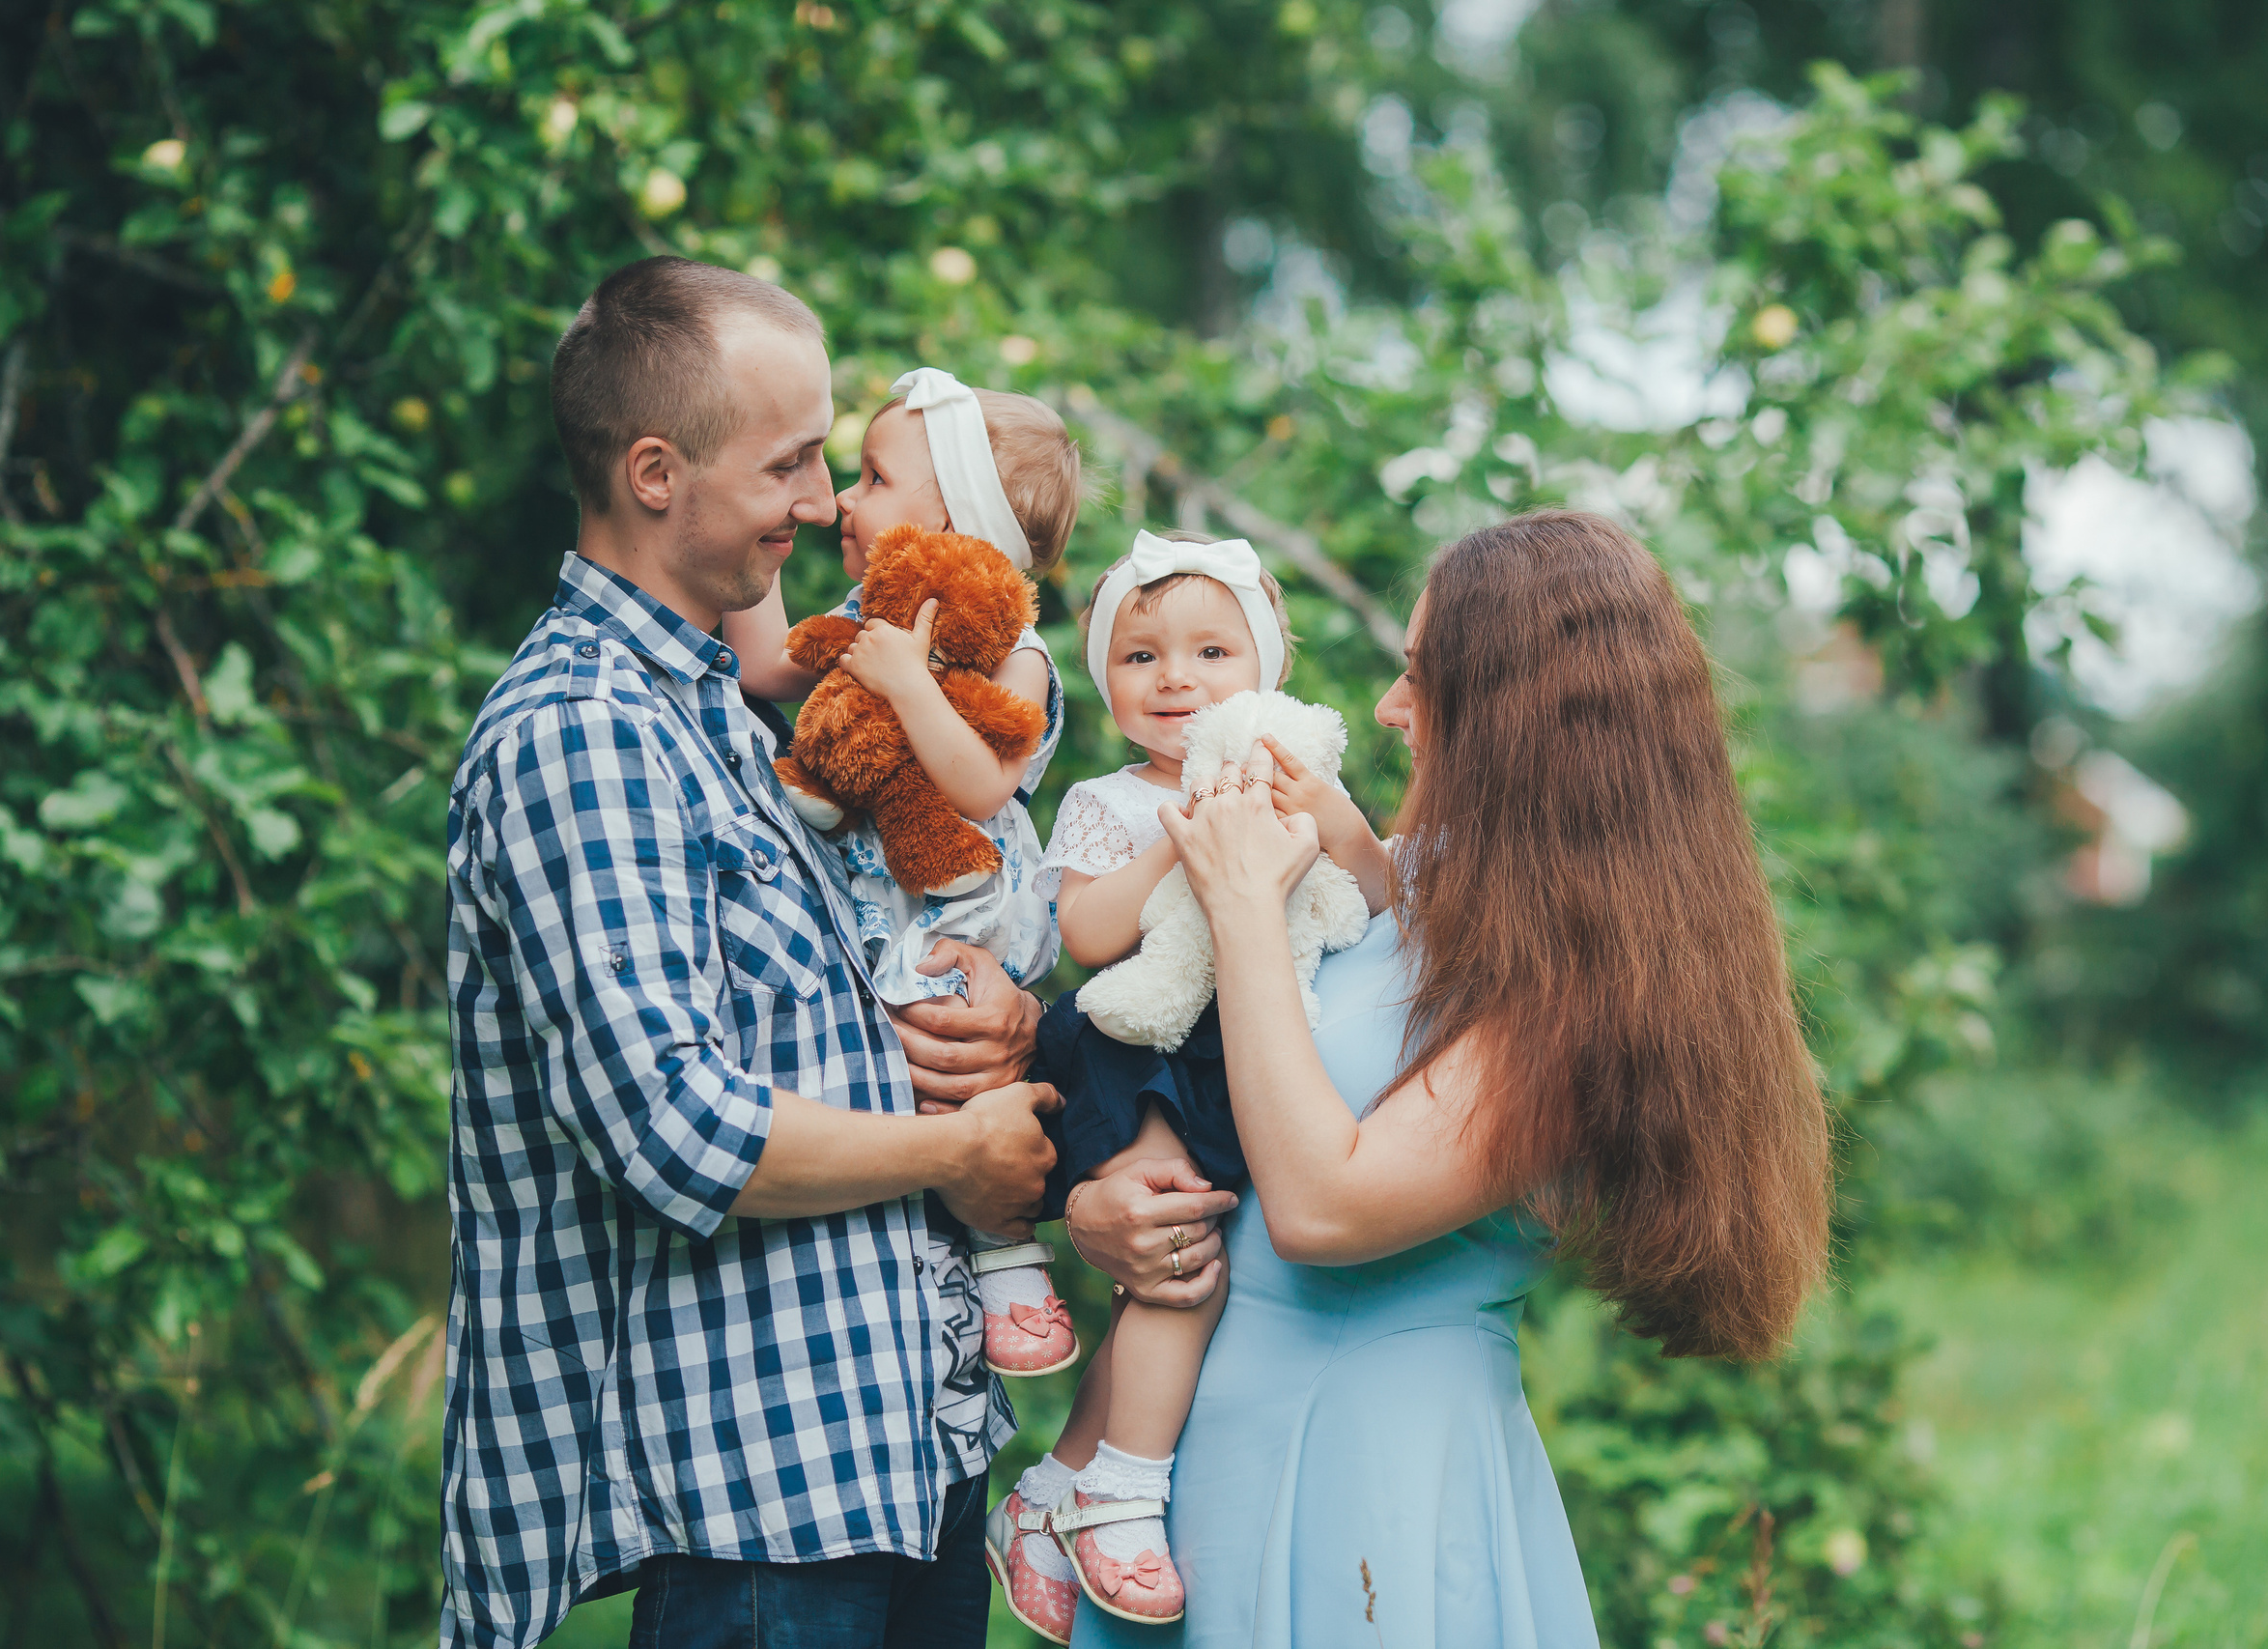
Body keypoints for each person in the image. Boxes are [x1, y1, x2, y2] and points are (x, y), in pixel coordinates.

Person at [1065, 508, 1834, 1646]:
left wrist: (1238, 908)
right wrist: (1105, 1205)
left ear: (1516, 716)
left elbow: (1324, 1208)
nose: (1386, 707)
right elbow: (1200, 1074)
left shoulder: (1581, 987)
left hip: (1366, 1470)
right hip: (1193, 1457)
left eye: (1420, 677)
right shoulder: (1414, 880)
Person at [441, 257, 1063, 1649]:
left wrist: (1001, 1016)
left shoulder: (723, 715)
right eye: (789, 462)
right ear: (656, 473)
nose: (823, 500)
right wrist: (956, 1154)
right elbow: (674, 1126)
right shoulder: (583, 729)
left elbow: (847, 998)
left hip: (891, 1455)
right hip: (743, 1509)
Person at [985, 530, 1390, 1640]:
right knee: (1180, 1256)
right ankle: (1124, 1489)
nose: (1175, 679)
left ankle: (1050, 1491)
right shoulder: (1107, 801)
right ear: (1105, 681)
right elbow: (1084, 934)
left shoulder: (1295, 786)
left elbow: (1379, 900)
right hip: (1137, 1042)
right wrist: (1183, 838)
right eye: (1140, 657)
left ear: (1265, 673)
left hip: (1243, 1051)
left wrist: (1330, 814)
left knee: (1177, 1276)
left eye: (1212, 652)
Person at [723, 367, 1088, 1380]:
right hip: (871, 904)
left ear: (957, 518)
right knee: (895, 1089)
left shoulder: (1018, 653)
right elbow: (764, 665)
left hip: (959, 910)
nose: (844, 496)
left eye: (875, 478)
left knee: (963, 1080)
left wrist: (901, 681)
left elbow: (981, 782)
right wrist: (766, 523)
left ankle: (1012, 1268)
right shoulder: (865, 616)